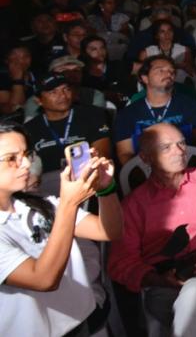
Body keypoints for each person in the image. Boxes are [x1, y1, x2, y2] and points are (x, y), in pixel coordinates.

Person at [109, 123, 196, 337]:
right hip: (164, 280)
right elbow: (121, 262)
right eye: (166, 147)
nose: (180, 151)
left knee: (194, 291)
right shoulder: (134, 204)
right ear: (146, 158)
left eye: (181, 143)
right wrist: (159, 280)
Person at [0, 118, 121, 336]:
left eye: (26, 155)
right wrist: (69, 203)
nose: (26, 164)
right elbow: (43, 279)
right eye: (11, 159)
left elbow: (108, 231)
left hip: (80, 322)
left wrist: (105, 189)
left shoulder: (36, 203)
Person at [23, 74, 112, 195]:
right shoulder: (30, 129)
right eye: (53, 92)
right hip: (45, 187)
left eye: (66, 89)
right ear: (38, 100)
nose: (63, 96)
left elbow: (102, 153)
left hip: (87, 181)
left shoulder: (92, 115)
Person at [113, 56, 196, 164]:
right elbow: (125, 153)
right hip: (145, 172)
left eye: (171, 71)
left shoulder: (189, 105)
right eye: (160, 70)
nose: (168, 74)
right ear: (145, 78)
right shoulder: (128, 114)